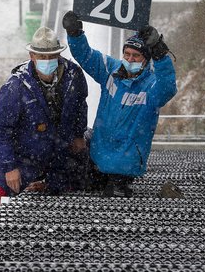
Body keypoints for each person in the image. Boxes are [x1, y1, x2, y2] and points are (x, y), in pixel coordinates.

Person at [0, 27, 88, 225]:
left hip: (60, 154)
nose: (48, 61)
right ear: (32, 55)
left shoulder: (73, 76)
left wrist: (79, 134)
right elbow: (1, 130)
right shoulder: (16, 86)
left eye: (52, 56)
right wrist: (10, 167)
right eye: (42, 56)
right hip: (25, 157)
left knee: (63, 205)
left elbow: (81, 104)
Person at [62, 11, 178, 198]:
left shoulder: (152, 86)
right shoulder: (111, 70)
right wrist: (75, 34)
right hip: (99, 154)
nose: (130, 59)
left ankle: (117, 184)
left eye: (136, 56)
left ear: (146, 59)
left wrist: (160, 52)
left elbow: (168, 86)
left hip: (125, 162)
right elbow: (86, 56)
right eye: (127, 54)